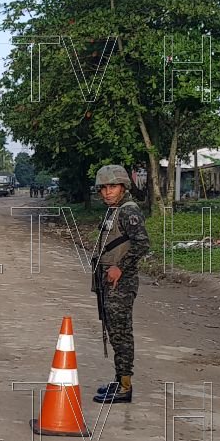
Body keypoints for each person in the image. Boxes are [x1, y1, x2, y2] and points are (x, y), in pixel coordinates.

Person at [90, 165, 150, 404]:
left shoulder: (128, 211)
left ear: (123, 187)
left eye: (112, 186)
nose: (107, 192)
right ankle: (119, 380)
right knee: (115, 332)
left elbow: (142, 244)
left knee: (121, 334)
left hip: (121, 282)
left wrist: (120, 267)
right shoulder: (113, 210)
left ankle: (125, 387)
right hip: (109, 280)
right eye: (103, 187)